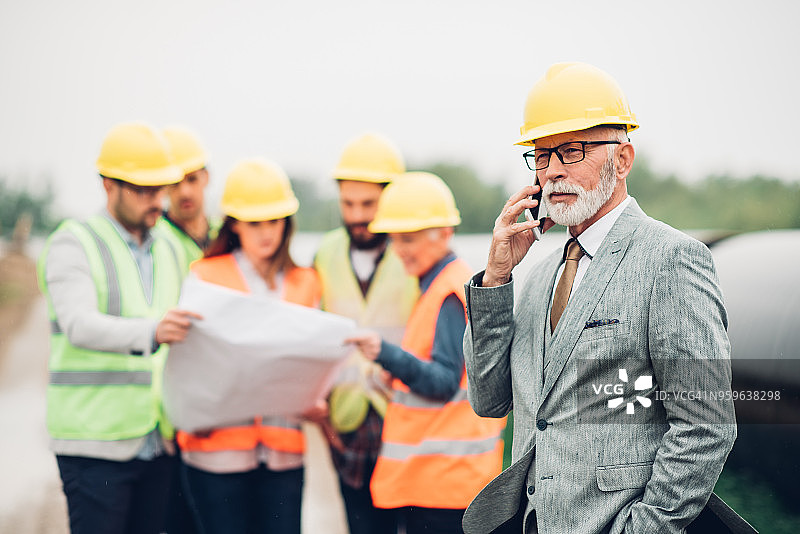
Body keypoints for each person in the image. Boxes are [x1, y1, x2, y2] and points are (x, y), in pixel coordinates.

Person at [460, 62, 744, 534]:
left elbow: (706, 426)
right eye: (541, 155)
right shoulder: (538, 277)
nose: (552, 171)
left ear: (623, 159)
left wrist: (643, 528)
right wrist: (496, 277)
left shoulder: (671, 259)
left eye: (571, 151)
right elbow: (489, 401)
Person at [37, 121, 201, 534]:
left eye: (161, 189)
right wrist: (151, 333)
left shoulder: (170, 247)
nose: (158, 201)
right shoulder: (74, 242)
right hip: (94, 443)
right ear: (109, 185)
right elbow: (78, 324)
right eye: (145, 191)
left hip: (155, 440)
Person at [347, 172, 506, 534]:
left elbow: (443, 382)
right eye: (394, 239)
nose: (399, 249)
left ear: (445, 233)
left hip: (445, 483)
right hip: (445, 480)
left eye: (409, 239)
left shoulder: (447, 291)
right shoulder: (443, 284)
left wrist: (384, 353)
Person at [175, 157, 321, 534]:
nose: (265, 232)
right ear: (235, 223)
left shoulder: (306, 282)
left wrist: (318, 395)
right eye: (255, 223)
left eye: (274, 221)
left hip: (282, 454)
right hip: (216, 453)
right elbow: (189, 362)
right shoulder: (205, 276)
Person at [313, 132, 419, 534]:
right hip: (348, 422)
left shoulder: (414, 254)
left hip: (401, 415)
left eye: (368, 204)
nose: (357, 215)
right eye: (348, 204)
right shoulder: (325, 254)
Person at [157, 125, 219, 268]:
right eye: (175, 183)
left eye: (192, 179)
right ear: (163, 187)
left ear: (206, 177)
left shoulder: (223, 233)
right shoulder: (156, 240)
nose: (185, 192)